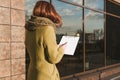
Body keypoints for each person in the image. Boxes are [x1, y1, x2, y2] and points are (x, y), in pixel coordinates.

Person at [25, 1, 66, 80]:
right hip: (46, 75)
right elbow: (54, 58)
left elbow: (39, 48)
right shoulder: (47, 29)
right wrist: (62, 48)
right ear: (50, 12)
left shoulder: (29, 30)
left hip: (32, 73)